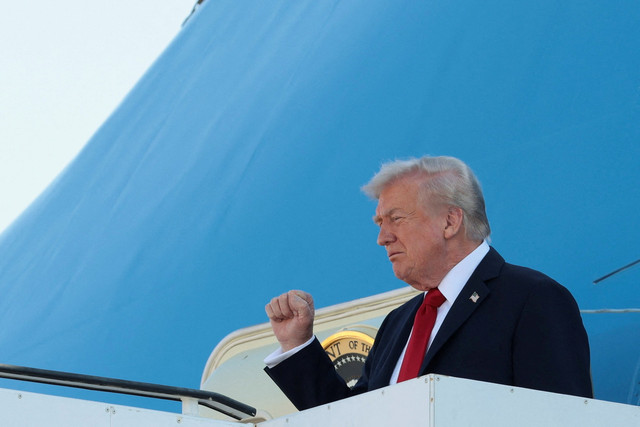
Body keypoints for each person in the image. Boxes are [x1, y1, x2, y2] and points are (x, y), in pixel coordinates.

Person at [263, 155, 592, 410]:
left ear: (450, 220)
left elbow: (563, 417)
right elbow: (353, 419)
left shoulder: (532, 299)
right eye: (379, 222)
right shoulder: (398, 322)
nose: (382, 237)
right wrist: (298, 346)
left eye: (395, 219)